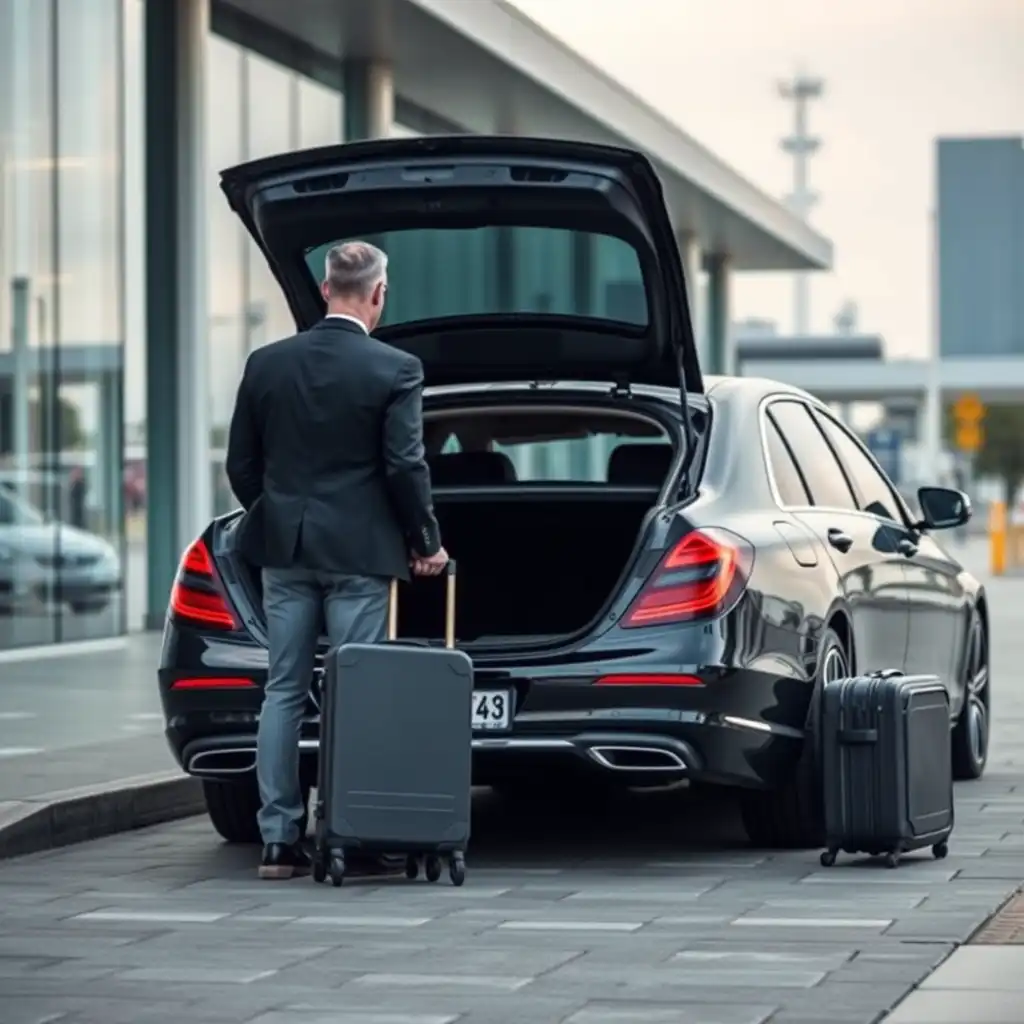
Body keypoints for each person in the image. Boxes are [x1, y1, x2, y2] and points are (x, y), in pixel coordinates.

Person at [225, 240, 449, 880]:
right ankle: (353, 831)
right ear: (379, 294)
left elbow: (241, 464)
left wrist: (278, 513)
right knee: (357, 692)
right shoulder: (395, 368)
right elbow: (406, 464)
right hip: (361, 553)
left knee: (284, 691)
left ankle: (277, 842)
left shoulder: (266, 363)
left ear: (325, 290)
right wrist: (425, 540)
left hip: (285, 555)